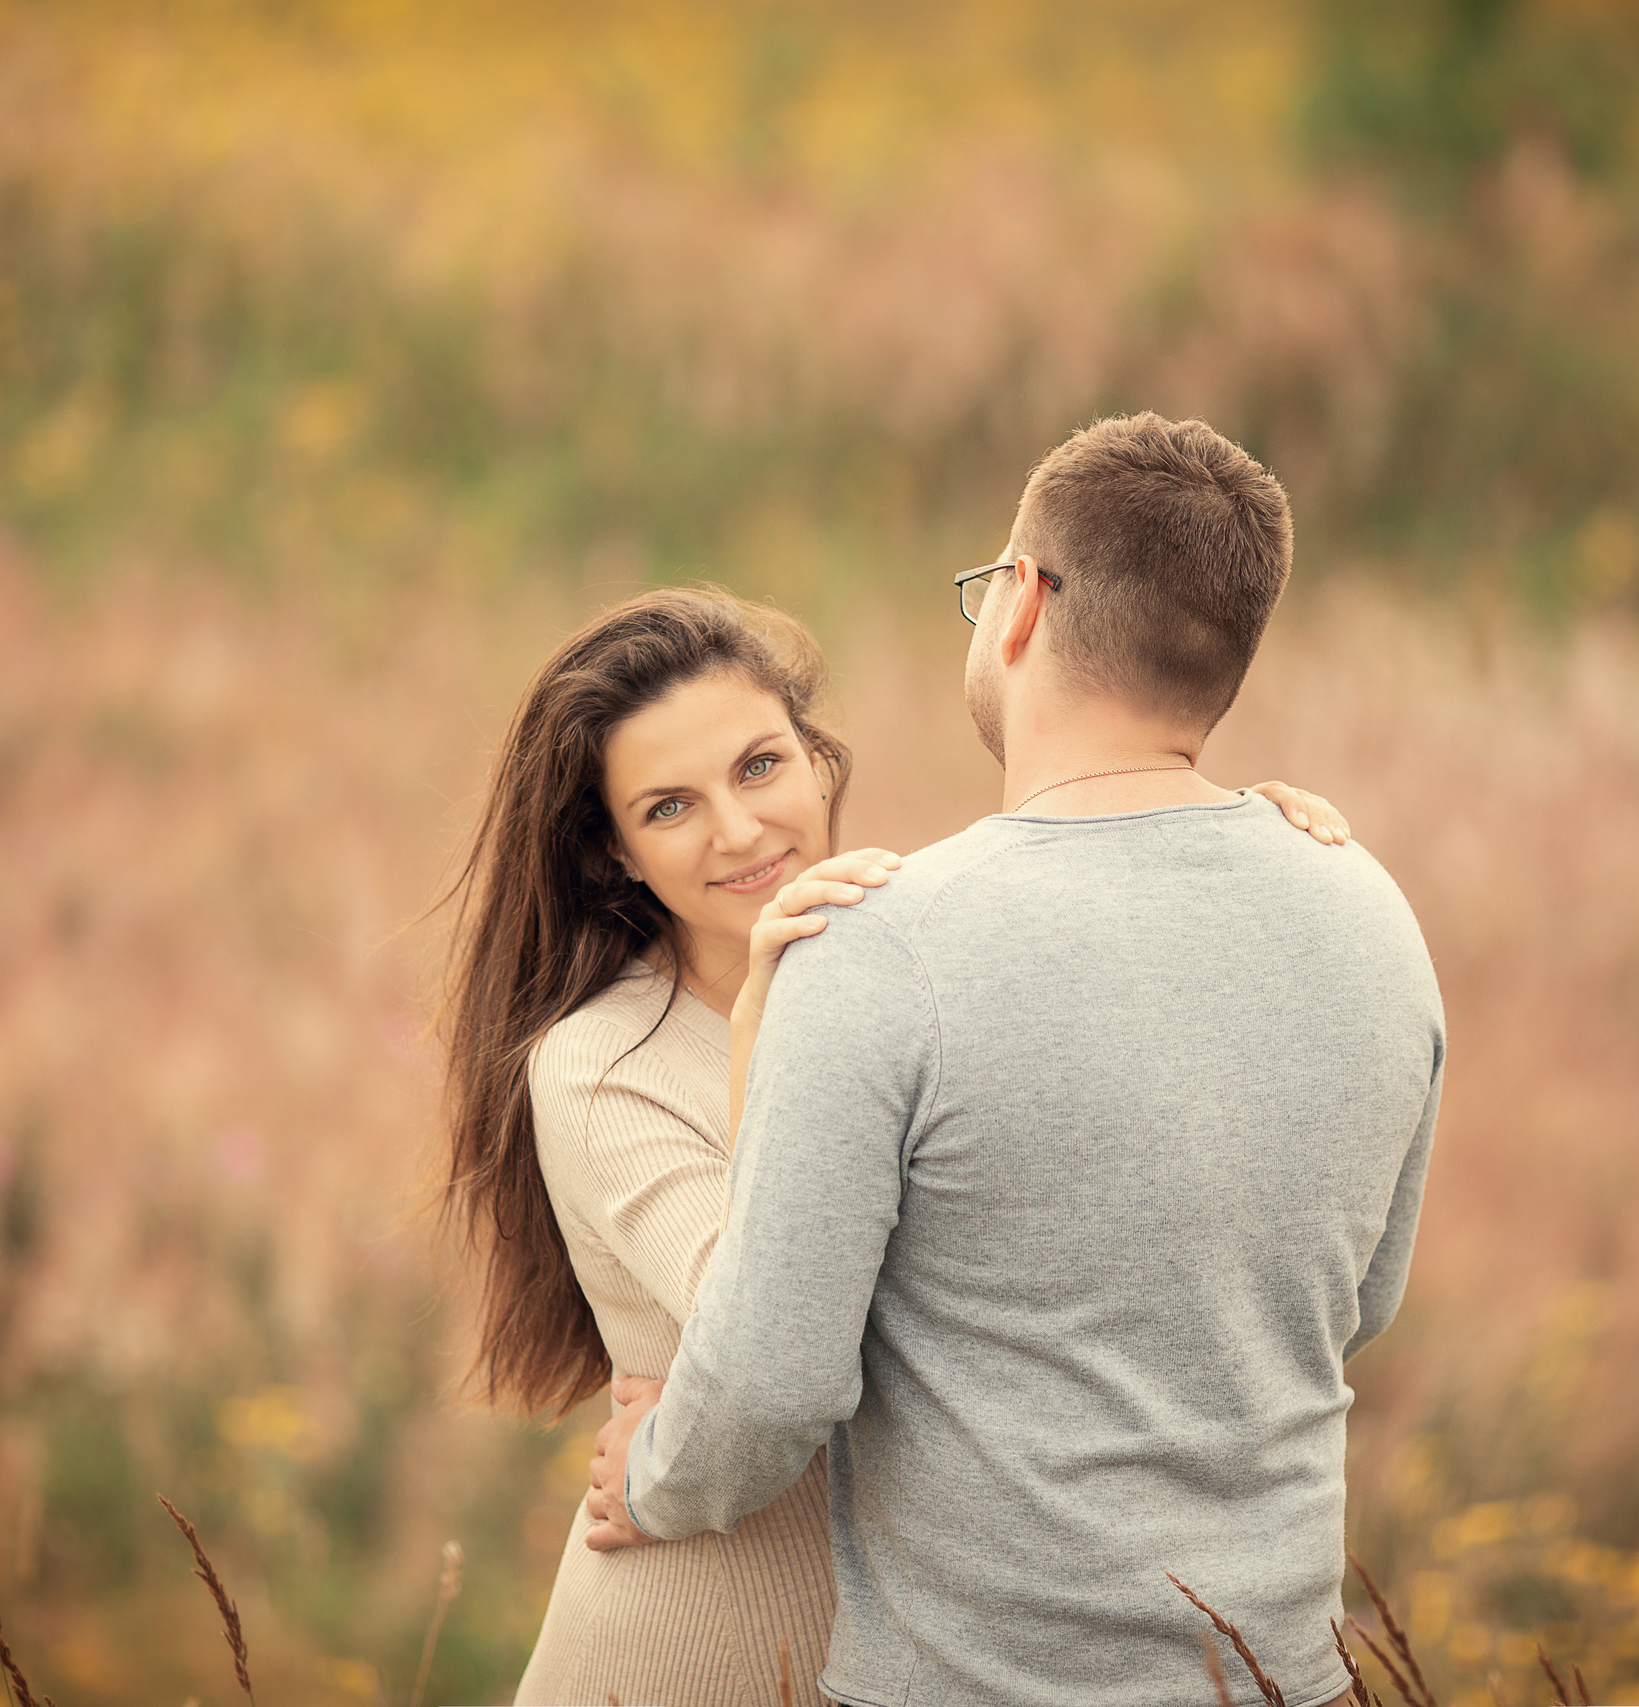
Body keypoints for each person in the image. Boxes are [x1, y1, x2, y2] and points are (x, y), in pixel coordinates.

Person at [581, 414, 1444, 1707]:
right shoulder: (1371, 908)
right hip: (1285, 1679)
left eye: (989, 586)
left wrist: (657, 1472)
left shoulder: (875, 947)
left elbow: (774, 1375)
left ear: (1024, 604)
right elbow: (1361, 1302)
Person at [437, 581, 1352, 1706]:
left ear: (818, 761)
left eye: (760, 766)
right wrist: (767, 1022)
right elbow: (768, 1319)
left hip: (901, 1659)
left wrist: (1233, 836)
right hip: (685, 1650)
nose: (739, 829)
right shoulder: (597, 1065)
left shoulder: (913, 961)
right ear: (612, 853)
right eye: (667, 808)